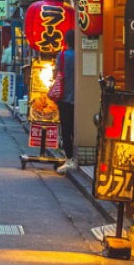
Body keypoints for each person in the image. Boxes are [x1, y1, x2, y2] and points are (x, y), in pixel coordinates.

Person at [56, 31, 77, 174]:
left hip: (64, 97)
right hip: (79, 98)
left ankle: (69, 158)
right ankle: (76, 156)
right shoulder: (80, 56)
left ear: (66, 41)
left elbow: (56, 74)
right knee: (76, 127)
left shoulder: (62, 55)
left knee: (66, 128)